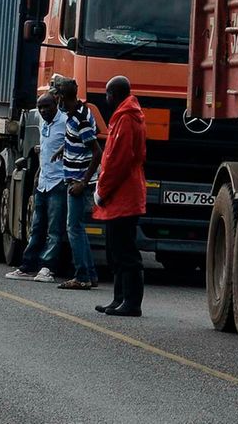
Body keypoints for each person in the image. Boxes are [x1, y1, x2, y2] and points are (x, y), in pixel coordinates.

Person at [93, 76, 148, 317]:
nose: (105, 99)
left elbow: (118, 160)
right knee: (116, 249)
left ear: (114, 94)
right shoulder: (126, 116)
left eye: (107, 94)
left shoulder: (126, 118)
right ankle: (119, 299)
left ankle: (131, 302)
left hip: (122, 195)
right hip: (122, 195)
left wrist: (101, 190)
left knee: (125, 251)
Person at [5, 93, 68, 283]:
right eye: (40, 107)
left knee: (54, 229)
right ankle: (27, 266)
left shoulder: (65, 122)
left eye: (46, 107)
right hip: (43, 182)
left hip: (58, 182)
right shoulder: (43, 122)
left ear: (56, 104)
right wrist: (38, 173)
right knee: (36, 226)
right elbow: (46, 148)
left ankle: (47, 267)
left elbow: (78, 144)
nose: (43, 111)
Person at [54, 77, 103, 291]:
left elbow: (97, 152)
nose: (56, 99)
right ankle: (90, 274)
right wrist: (62, 150)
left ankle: (81, 275)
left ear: (63, 97)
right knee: (78, 228)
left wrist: (83, 183)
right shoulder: (77, 113)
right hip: (74, 177)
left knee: (73, 228)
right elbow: (81, 140)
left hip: (78, 181)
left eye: (57, 95)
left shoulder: (80, 120)